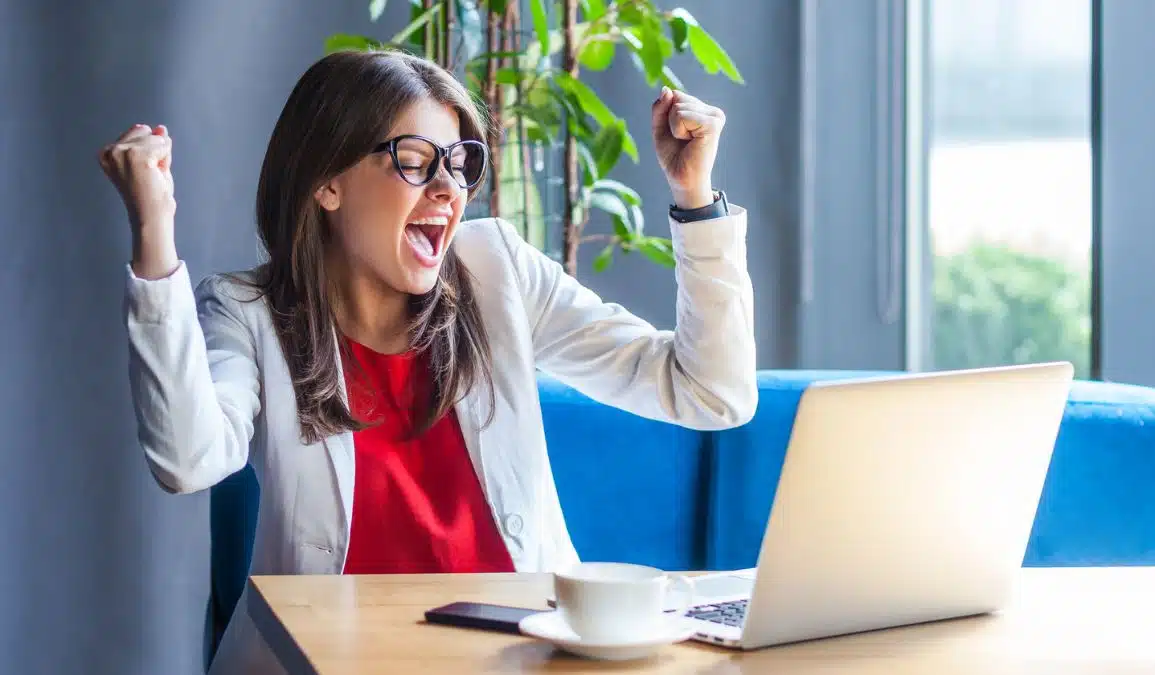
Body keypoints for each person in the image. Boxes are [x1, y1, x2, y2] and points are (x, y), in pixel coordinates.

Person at [99, 49, 756, 673]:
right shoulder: (247, 312)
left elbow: (709, 392)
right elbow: (187, 459)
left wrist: (694, 197)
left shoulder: (498, 269)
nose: (448, 187)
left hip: (524, 658)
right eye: (414, 160)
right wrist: (154, 232)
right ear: (327, 183)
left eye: (459, 161)